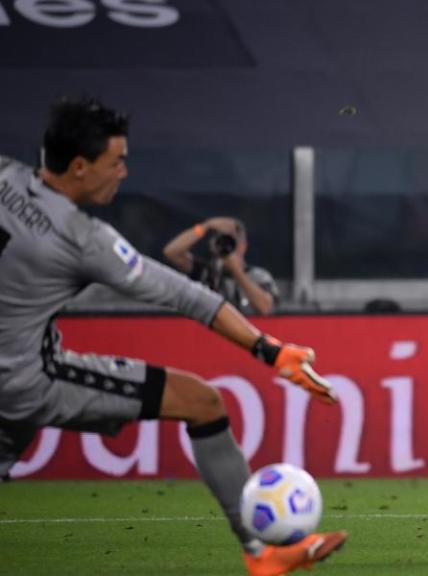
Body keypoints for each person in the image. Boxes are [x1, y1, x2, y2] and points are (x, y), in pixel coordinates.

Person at [0, 97, 345, 575]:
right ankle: (261, 553)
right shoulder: (82, 239)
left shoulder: (4, 176)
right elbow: (186, 295)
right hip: (24, 380)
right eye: (116, 161)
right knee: (203, 402)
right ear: (79, 166)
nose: (123, 171)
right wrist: (270, 351)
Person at [163, 217, 278, 316]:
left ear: (243, 246)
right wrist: (205, 226)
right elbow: (171, 252)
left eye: (232, 242)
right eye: (223, 242)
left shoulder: (259, 276)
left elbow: (266, 308)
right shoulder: (208, 272)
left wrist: (237, 272)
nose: (228, 247)